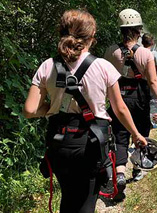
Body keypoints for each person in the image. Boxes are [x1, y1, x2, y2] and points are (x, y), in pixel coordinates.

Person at [23, 9, 147, 212]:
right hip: (91, 143)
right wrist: (136, 134)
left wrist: (51, 108)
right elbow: (120, 109)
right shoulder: (103, 67)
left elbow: (29, 109)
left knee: (69, 197)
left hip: (58, 142)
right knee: (86, 202)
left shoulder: (47, 66)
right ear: (91, 37)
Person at [104, 9, 157, 201]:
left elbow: (104, 77)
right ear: (138, 30)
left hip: (119, 96)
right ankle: (137, 170)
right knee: (141, 133)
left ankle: (120, 173)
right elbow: (154, 82)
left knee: (120, 137)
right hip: (140, 98)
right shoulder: (146, 53)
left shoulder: (110, 51)